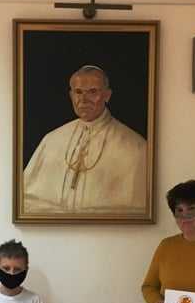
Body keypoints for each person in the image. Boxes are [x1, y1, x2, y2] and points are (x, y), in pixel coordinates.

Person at [23, 65, 148, 215]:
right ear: (71, 95)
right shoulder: (51, 139)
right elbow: (25, 200)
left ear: (107, 95)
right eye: (78, 92)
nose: (83, 99)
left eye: (93, 92)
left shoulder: (135, 146)